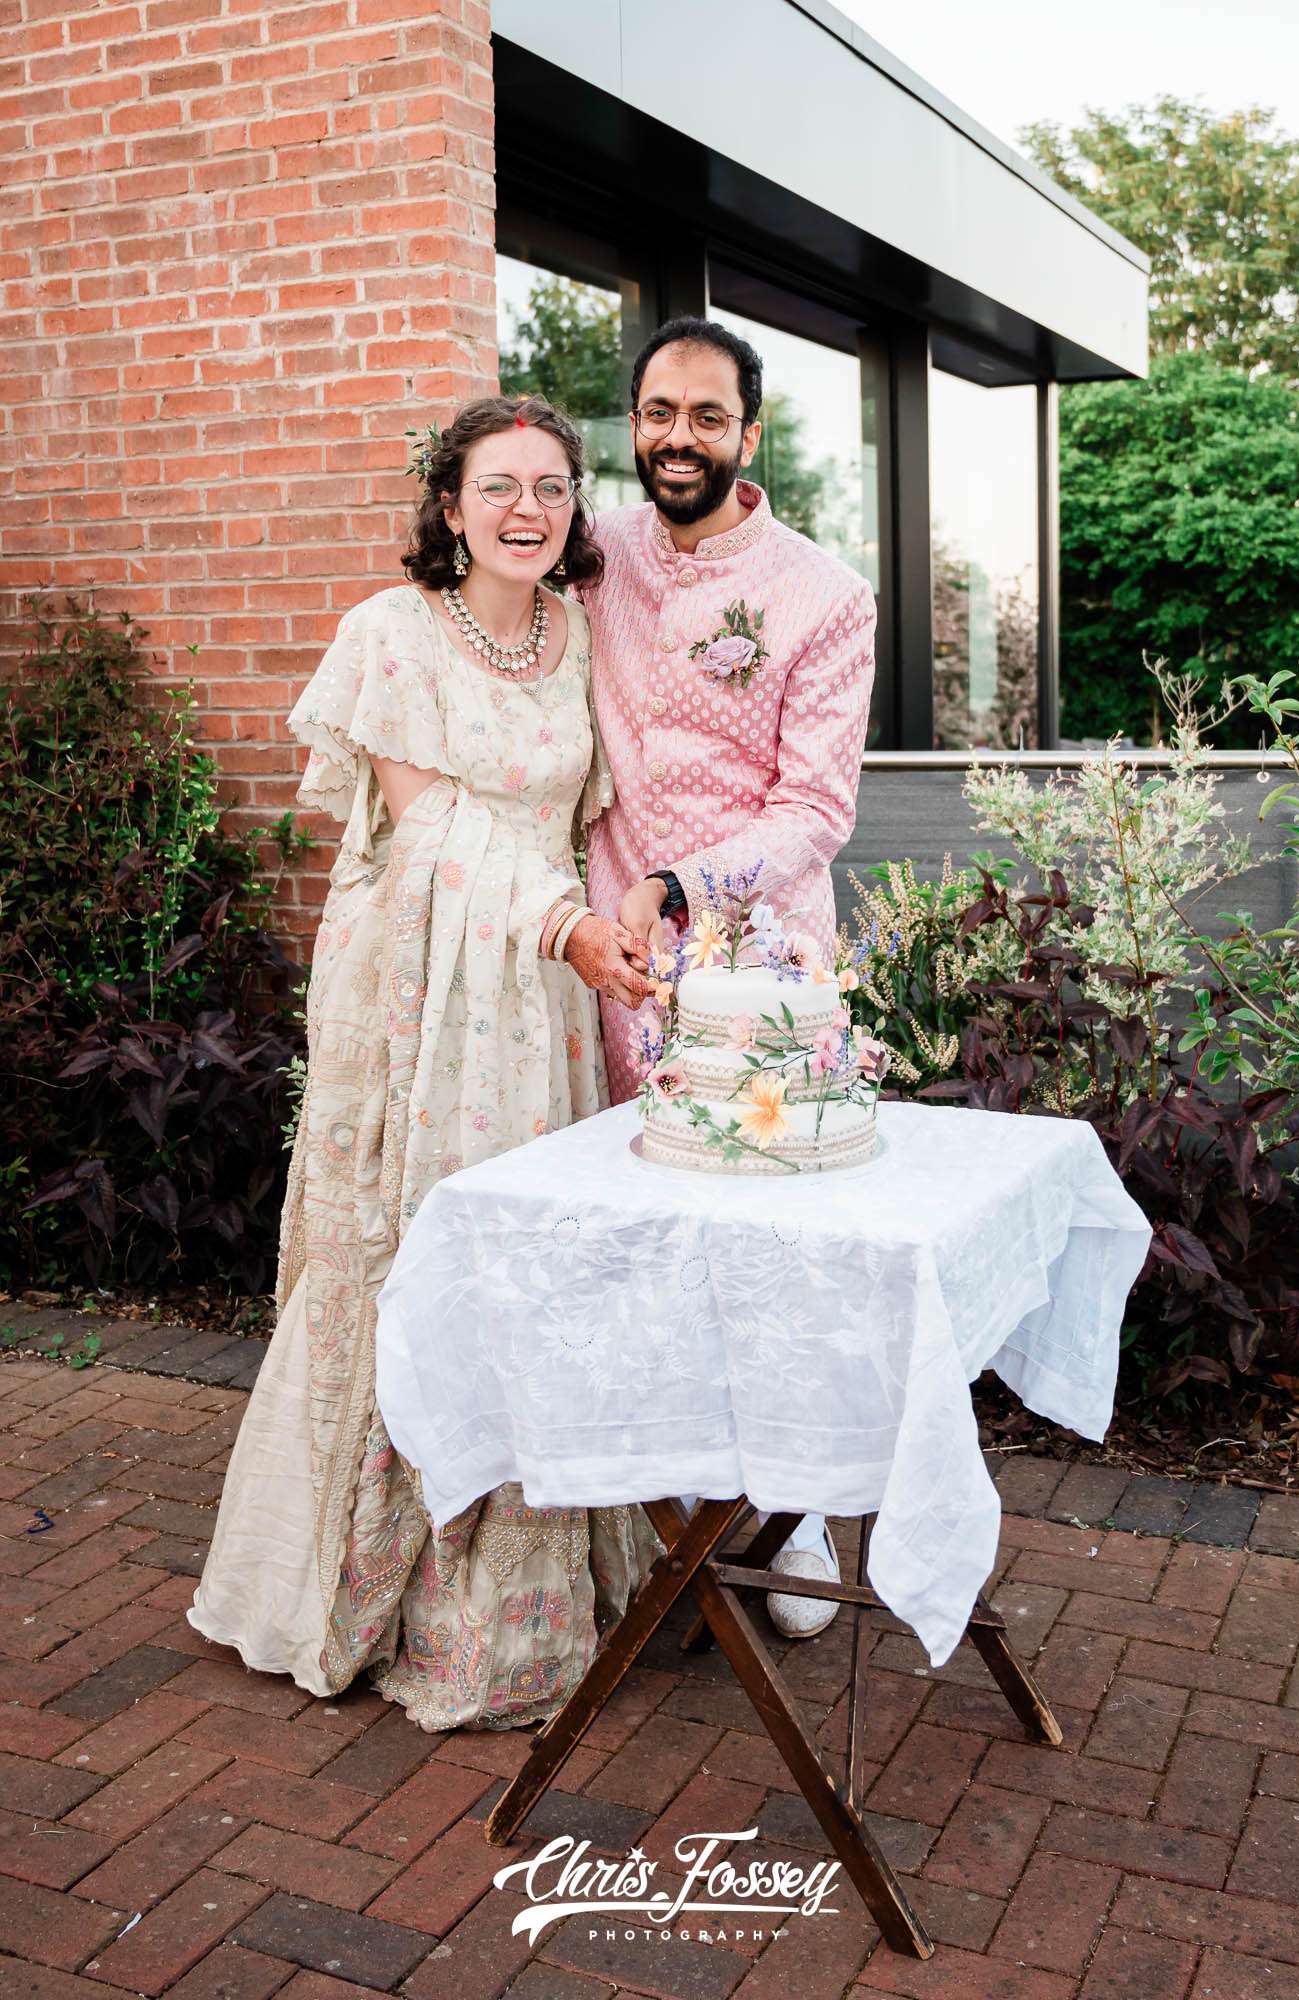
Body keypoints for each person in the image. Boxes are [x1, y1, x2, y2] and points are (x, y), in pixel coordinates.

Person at [189, 396, 657, 1729]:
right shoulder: (389, 635)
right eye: (498, 486)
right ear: (449, 506)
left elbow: (592, 816)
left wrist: (613, 922)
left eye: (553, 487)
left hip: (544, 995)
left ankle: (521, 1595)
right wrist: (567, 927)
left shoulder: (578, 635)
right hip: (420, 987)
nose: (528, 510)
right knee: (409, 1253)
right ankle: (370, 1592)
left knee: (530, 1260)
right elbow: (433, 826)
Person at [581, 317, 878, 1637]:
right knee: (637, 1240)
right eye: (659, 412)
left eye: (708, 415)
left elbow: (815, 809)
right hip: (604, 958)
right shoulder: (590, 553)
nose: (679, 436)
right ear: (634, 425)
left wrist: (681, 886)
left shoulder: (824, 594)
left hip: (754, 965)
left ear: (749, 434)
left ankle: (793, 1501)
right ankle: (660, 1505)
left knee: (767, 1251)